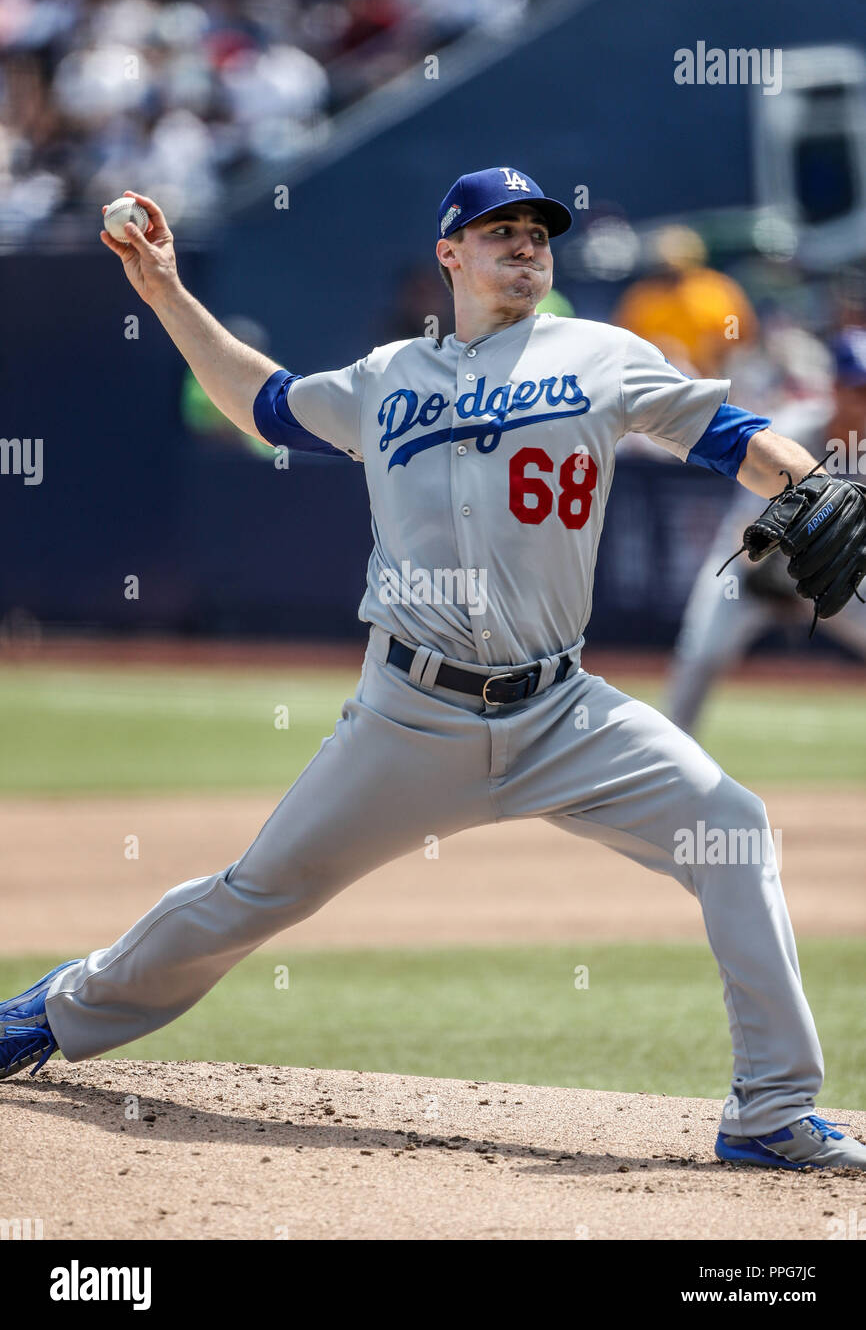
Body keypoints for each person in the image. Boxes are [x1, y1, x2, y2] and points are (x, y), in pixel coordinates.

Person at [3, 167, 865, 1173]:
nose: (525, 245)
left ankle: (768, 1109)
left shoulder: (599, 355)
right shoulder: (386, 379)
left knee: (729, 828)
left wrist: (806, 483)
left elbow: (726, 436)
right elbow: (261, 402)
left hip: (560, 711)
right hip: (408, 716)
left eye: (537, 232)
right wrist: (163, 291)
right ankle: (47, 1013)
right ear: (449, 254)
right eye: (498, 231)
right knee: (253, 893)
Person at [667, 328, 866, 735]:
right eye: (859, 389)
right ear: (835, 387)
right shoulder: (793, 431)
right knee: (701, 652)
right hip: (753, 570)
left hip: (833, 578)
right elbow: (749, 527)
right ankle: (667, 758)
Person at [615, 224, 757, 378]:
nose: (671, 276)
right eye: (664, 269)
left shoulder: (718, 290)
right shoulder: (642, 298)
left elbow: (739, 329)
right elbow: (625, 343)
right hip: (661, 378)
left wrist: (722, 347)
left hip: (715, 374)